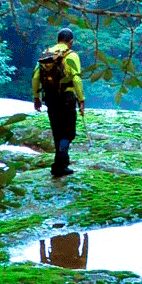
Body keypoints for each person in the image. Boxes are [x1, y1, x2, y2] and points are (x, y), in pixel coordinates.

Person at [32, 28, 86, 177]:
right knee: (68, 134)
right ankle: (61, 161)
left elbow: (36, 77)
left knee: (57, 132)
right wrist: (81, 100)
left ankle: (59, 167)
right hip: (67, 98)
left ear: (57, 40)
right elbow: (76, 78)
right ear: (71, 42)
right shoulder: (71, 55)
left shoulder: (46, 55)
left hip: (50, 98)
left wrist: (36, 97)